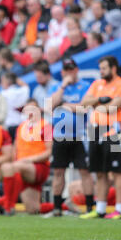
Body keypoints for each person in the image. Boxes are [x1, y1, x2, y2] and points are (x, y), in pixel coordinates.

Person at [80, 55, 121, 219]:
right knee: (100, 172)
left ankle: (120, 209)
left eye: (104, 68)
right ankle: (100, 208)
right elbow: (84, 102)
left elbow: (111, 108)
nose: (101, 72)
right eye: (100, 68)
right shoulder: (97, 84)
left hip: (114, 133)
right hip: (96, 132)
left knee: (117, 172)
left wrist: (96, 105)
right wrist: (99, 99)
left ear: (113, 68)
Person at [45, 57, 93, 216]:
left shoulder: (85, 86)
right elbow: (49, 106)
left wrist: (64, 105)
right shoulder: (57, 87)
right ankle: (57, 208)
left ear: (76, 70)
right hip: (60, 136)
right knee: (58, 172)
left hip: (79, 136)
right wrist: (63, 85)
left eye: (71, 69)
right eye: (66, 70)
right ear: (62, 72)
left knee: (84, 171)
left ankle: (89, 208)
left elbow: (84, 108)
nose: (69, 72)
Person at [0, 99, 53, 215]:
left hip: (38, 167)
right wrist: (15, 163)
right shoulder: (21, 127)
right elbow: (15, 149)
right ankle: (62, 206)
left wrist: (28, 160)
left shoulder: (45, 126)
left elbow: (49, 152)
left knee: (7, 168)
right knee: (33, 209)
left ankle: (8, 204)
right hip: (21, 168)